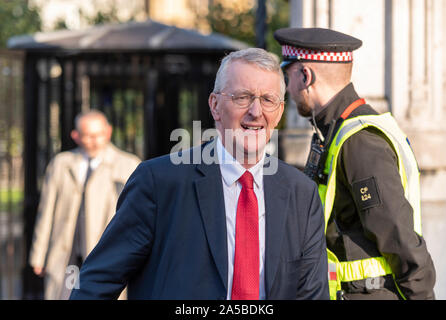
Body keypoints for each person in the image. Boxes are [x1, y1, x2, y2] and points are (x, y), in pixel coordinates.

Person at [69, 48, 329, 300]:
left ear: (280, 112)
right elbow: (97, 282)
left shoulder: (301, 195)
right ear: (215, 106)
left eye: (268, 100)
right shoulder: (158, 183)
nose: (256, 111)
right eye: (242, 97)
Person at [274, 27, 436, 300]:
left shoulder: (359, 140)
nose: (287, 89)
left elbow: (398, 235)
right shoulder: (335, 131)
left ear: (305, 75)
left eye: (287, 77)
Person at [29, 110, 141, 300]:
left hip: (106, 254)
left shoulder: (128, 164)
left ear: (108, 132)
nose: (94, 140)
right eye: (88, 136)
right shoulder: (61, 164)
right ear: (76, 136)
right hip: (65, 254)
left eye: (99, 135)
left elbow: (137, 218)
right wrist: (38, 256)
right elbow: (46, 211)